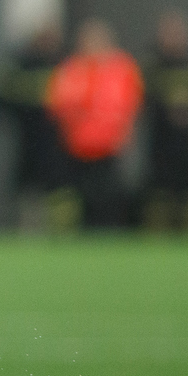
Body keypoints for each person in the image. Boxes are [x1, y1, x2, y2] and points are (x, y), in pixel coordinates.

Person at [47, 19, 143, 229]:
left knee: (110, 196)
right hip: (77, 147)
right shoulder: (72, 68)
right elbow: (59, 104)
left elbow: (131, 104)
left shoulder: (121, 68)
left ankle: (112, 232)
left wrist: (124, 134)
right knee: (78, 197)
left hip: (109, 147)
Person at [0, 22, 72, 230]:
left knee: (59, 188)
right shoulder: (21, 64)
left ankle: (60, 231)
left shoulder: (63, 64)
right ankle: (27, 230)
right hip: (27, 137)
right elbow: (4, 98)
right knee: (26, 186)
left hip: (58, 140)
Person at [142, 10, 188, 230]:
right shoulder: (152, 65)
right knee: (160, 193)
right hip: (162, 140)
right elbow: (144, 98)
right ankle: (157, 237)